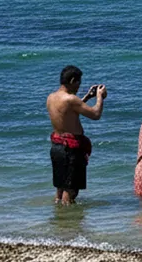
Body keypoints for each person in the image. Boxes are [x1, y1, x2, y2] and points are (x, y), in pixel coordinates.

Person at [45, 65, 106, 205]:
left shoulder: (51, 97)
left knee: (60, 187)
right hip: (71, 150)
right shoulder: (71, 99)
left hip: (57, 147)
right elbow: (95, 114)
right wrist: (99, 97)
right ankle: (69, 218)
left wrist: (87, 97)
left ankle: (58, 215)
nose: (79, 87)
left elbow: (70, 111)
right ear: (72, 81)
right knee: (71, 190)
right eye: (78, 83)